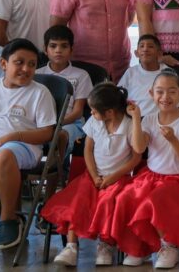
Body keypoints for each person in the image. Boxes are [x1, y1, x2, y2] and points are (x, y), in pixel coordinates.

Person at [112, 70, 179, 268]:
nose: (165, 97)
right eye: (160, 92)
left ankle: (168, 246)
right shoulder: (148, 120)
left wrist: (173, 139)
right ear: (151, 94)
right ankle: (140, 247)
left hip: (178, 179)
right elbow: (139, 148)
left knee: (156, 200)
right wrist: (137, 119)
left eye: (172, 92)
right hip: (151, 176)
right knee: (126, 196)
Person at [41, 83, 141, 267]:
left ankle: (106, 244)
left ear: (109, 112)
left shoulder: (128, 125)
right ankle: (71, 246)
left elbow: (135, 158)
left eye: (94, 111)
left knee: (108, 202)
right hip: (93, 176)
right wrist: (94, 175)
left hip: (118, 179)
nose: (92, 114)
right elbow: (88, 149)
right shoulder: (95, 122)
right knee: (77, 200)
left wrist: (112, 178)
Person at [0, 39, 56, 249]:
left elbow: (48, 133)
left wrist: (11, 137)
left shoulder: (40, 93)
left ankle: (9, 220)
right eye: (19, 62)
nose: (26, 69)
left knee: (3, 155)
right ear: (4, 64)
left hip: (23, 148)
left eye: (31, 64)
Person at [36, 25, 94, 158]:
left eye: (64, 46)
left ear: (71, 49)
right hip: (40, 123)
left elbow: (78, 111)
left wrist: (54, 125)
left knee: (60, 135)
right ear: (45, 49)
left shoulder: (81, 75)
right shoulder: (37, 74)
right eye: (53, 46)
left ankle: (58, 170)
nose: (58, 51)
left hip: (71, 123)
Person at [117, 34, 179, 116]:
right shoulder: (130, 72)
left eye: (150, 46)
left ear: (159, 53)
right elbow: (118, 99)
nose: (145, 49)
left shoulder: (169, 73)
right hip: (133, 120)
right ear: (136, 53)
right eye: (142, 46)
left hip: (160, 121)